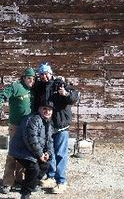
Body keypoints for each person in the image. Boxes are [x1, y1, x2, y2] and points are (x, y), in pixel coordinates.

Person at [34, 62, 79, 194]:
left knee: (60, 154)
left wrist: (65, 93)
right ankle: (51, 176)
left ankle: (61, 181)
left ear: (51, 73)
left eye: (46, 73)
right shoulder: (39, 87)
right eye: (41, 74)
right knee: (50, 152)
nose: (44, 76)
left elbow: (74, 97)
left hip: (60, 125)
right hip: (47, 126)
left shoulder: (59, 84)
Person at [0, 67, 36, 194]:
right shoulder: (16, 87)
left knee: (25, 153)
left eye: (33, 79)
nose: (31, 81)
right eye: (29, 78)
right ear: (23, 78)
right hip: (16, 126)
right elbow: (1, 96)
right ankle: (7, 182)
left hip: (28, 127)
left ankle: (19, 178)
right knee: (13, 153)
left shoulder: (32, 90)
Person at [9, 101, 54, 199]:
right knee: (33, 168)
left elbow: (50, 141)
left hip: (33, 151)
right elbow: (31, 139)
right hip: (21, 150)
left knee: (45, 165)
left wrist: (48, 153)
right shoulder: (33, 119)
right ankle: (25, 194)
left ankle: (31, 184)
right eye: (44, 109)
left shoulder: (48, 123)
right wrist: (40, 155)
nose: (47, 112)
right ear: (39, 110)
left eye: (50, 110)